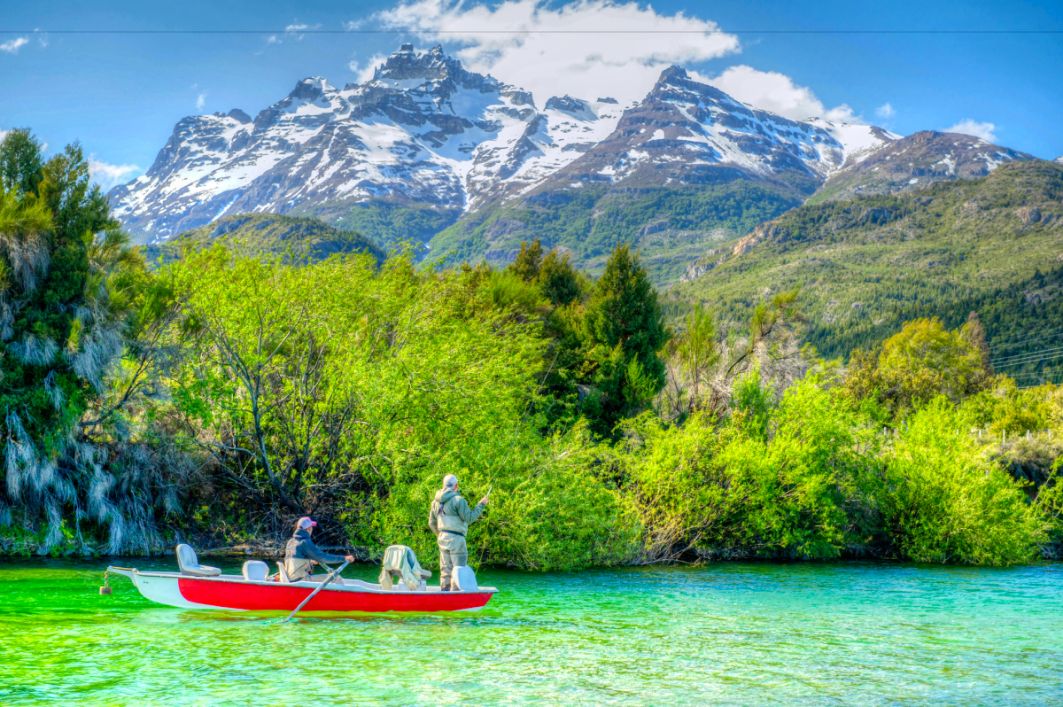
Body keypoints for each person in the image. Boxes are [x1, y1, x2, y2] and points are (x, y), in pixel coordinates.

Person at [428, 474, 488, 591]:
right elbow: (469, 518)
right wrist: (481, 505)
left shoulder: (435, 502)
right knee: (458, 570)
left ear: (443, 485)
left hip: (442, 538)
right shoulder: (458, 500)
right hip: (457, 539)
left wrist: (439, 534)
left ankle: (444, 593)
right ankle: (455, 596)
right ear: (456, 486)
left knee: (445, 570)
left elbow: (431, 523)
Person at [283, 516, 354, 582]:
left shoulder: (291, 542)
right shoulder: (304, 542)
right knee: (336, 578)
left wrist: (310, 561)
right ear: (308, 529)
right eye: (311, 527)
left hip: (291, 579)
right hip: (300, 580)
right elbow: (323, 557)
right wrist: (344, 558)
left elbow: (294, 560)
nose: (312, 530)